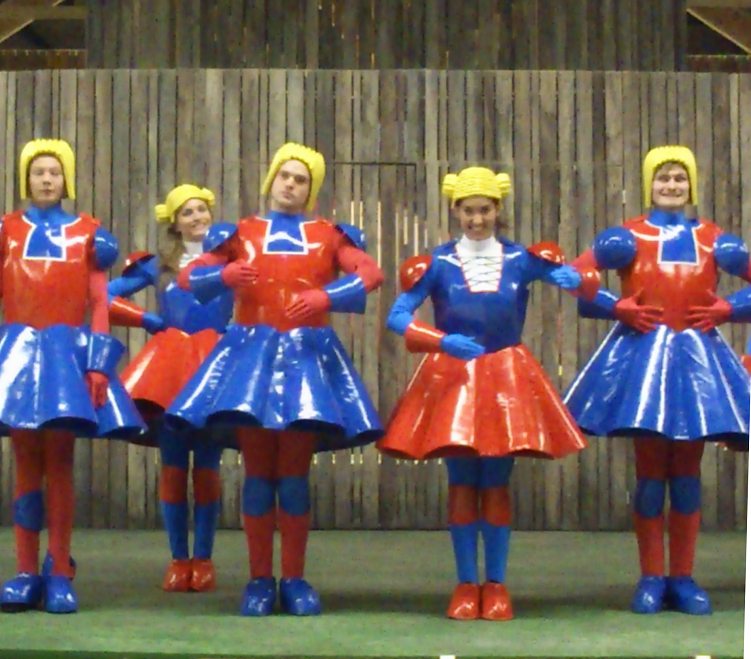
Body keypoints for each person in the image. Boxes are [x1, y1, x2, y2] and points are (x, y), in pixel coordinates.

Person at [166, 142, 384, 616]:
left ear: (311, 188)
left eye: (301, 179)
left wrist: (326, 298)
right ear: (271, 179)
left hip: (307, 357)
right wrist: (224, 275)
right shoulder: (241, 232)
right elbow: (189, 278)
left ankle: (296, 578)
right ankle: (260, 579)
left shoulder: (329, 235)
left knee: (294, 478)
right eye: (284, 175)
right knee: (259, 474)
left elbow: (370, 273)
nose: (290, 184)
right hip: (251, 359)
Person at [378, 167, 589, 621]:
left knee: (495, 481)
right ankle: (464, 582)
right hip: (454, 380)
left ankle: (495, 583)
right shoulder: (436, 263)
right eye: (469, 210)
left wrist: (576, 278)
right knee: (461, 481)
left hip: (507, 379)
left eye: (485, 210)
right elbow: (397, 316)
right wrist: (440, 340)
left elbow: (575, 279)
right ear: (455, 210)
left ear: (498, 209)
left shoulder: (521, 259)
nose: (477, 219)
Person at [564, 145, 751, 615]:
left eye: (679, 178)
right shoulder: (626, 237)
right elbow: (575, 276)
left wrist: (729, 308)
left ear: (692, 184)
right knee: (650, 476)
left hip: (698, 361)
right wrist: (615, 306)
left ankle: (682, 577)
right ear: (650, 183)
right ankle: (651, 576)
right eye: (664, 177)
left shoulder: (716, 240)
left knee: (686, 475)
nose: (672, 185)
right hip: (643, 360)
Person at [0, 139, 143, 613]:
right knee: (25, 463)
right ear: (26, 179)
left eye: (54, 172)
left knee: (59, 463)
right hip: (18, 354)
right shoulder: (6, 230)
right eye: (38, 171)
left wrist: (99, 361)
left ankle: (59, 568)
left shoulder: (89, 234)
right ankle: (25, 569)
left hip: (66, 356)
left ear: (66, 180)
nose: (46, 179)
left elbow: (100, 302)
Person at [108, 185, 234, 592]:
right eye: (188, 212)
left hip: (214, 367)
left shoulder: (232, 261)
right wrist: (146, 320)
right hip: (169, 371)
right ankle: (179, 559)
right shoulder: (157, 267)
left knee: (209, 466)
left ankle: (205, 559)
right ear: (175, 223)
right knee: (174, 466)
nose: (197, 217)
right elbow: (104, 296)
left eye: (201, 210)